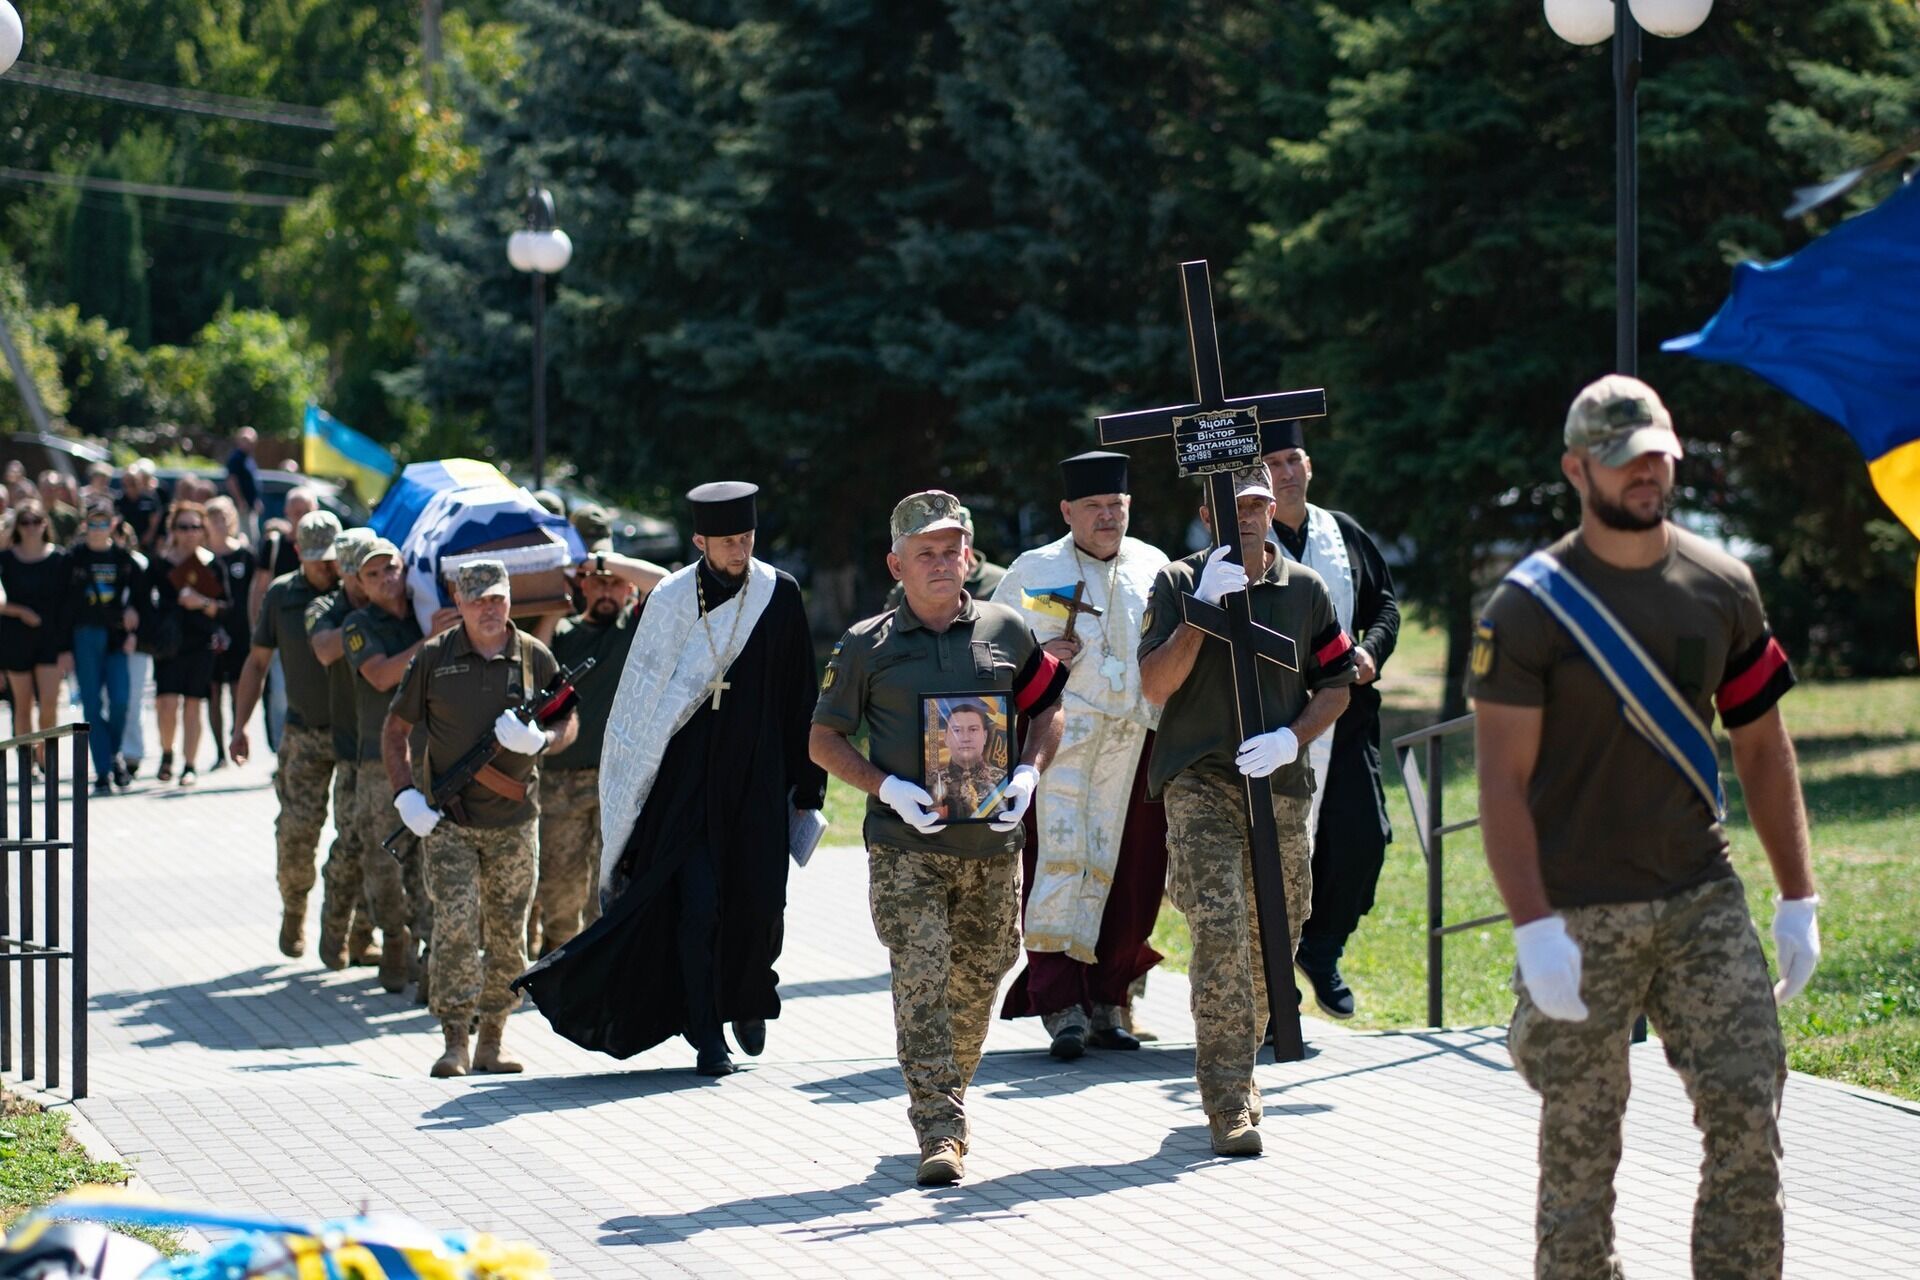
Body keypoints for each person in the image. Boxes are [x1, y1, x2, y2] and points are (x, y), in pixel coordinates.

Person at [1468, 375, 1818, 1280]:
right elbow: (1501, 783)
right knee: (1581, 1156)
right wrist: (1535, 927)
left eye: (1658, 456)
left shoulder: (1722, 585)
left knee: (1749, 1108)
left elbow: (1763, 752)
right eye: (1625, 462)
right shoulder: (1526, 608)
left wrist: (1796, 897)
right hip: (1580, 911)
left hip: (1700, 896)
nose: (1647, 476)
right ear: (1578, 470)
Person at [517, 483, 824, 1077]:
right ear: (700, 541)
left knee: (760, 905)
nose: (740, 550)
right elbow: (641, 699)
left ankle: (749, 995)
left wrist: (807, 786)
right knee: (698, 909)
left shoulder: (777, 593)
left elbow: (799, 694)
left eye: (747, 537)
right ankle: (708, 1033)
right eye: (728, 540)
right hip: (682, 789)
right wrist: (632, 792)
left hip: (757, 780)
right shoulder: (673, 599)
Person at [810, 489, 1068, 1186]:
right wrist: (885, 787)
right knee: (921, 976)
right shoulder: (867, 646)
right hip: (907, 850)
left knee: (983, 974)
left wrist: (1027, 773)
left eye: (952, 549)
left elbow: (1049, 711)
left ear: (969, 555)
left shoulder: (1008, 630)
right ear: (896, 564)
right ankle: (941, 1127)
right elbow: (822, 739)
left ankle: (945, 1088)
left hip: (992, 848)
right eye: (926, 552)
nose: (942, 563)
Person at [1137, 466, 1354, 1157]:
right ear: (1208, 514)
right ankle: (1229, 1098)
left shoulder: (1306, 589)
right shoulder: (1176, 583)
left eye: (1258, 504)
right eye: (1234, 508)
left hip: (1280, 784)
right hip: (1200, 781)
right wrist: (1203, 610)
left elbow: (1337, 684)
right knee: (1222, 930)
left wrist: (1294, 735)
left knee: (1275, 938)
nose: (1250, 518)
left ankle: (1243, 1065)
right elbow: (1155, 684)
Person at [993, 450, 1171, 1058]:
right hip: (1061, 740)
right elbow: (990, 657)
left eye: (1116, 506)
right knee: (1058, 865)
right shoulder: (1033, 570)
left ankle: (1111, 1000)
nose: (1107, 517)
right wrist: (1042, 662)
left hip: (1136, 744)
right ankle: (1061, 1001)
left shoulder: (1156, 567)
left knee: (1132, 873)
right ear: (1067, 510)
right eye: (1093, 507)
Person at [386, 559, 577, 1078]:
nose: (489, 609)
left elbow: (568, 718)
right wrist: (405, 794)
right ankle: (455, 1040)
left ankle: (494, 1038)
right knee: (453, 926)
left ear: (510, 599)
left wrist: (543, 740)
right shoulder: (433, 658)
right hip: (448, 823)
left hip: (515, 822)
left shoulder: (533, 656)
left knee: (508, 932)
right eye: (478, 600)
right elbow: (395, 731)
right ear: (459, 603)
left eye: (497, 598)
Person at [1260, 421, 1401, 1019]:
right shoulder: (1247, 540)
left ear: (1310, 466)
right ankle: (1273, 986)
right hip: (1273, 723)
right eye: (1272, 463)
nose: (1286, 473)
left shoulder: (1343, 532)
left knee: (1363, 840)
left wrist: (1371, 649)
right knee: (1274, 853)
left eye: (1293, 460)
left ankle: (1322, 948)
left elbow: (1385, 605)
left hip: (1346, 718)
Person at [525, 540, 662, 955]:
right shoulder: (563, 632)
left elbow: (667, 584)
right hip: (562, 780)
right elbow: (534, 668)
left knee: (611, 884)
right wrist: (556, 599)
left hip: (620, 780)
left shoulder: (637, 629)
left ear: (628, 591)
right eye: (596, 584)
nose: (605, 592)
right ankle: (558, 960)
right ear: (583, 588)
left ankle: (602, 964)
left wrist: (606, 561)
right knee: (559, 880)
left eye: (614, 584)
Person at [230, 511, 345, 959]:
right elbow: (257, 663)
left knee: (356, 836)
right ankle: (294, 909)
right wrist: (240, 727)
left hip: (355, 736)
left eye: (332, 559)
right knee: (297, 832)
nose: (326, 567)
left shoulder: (354, 592)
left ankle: (343, 927)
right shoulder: (282, 596)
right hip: (303, 734)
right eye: (317, 560)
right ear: (299, 555)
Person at [343, 539, 449, 994]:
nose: (387, 579)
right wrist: (431, 642)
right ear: (359, 585)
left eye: (391, 568)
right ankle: (392, 938)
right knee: (383, 858)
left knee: (431, 859)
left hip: (432, 755)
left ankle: (430, 956)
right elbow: (382, 675)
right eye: (373, 574)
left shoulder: (429, 608)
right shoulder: (357, 624)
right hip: (379, 759)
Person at [307, 529, 380, 969]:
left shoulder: (395, 606)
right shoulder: (328, 609)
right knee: (350, 845)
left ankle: (364, 936)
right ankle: (334, 930)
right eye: (364, 572)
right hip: (352, 749)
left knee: (386, 848)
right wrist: (364, 620)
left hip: (388, 746)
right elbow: (324, 649)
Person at [147, 502, 227, 786]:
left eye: (195, 527)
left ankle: (190, 765)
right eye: (184, 527)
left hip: (201, 642)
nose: (190, 533)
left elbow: (226, 607)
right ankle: (167, 755)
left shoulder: (213, 564)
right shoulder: (160, 563)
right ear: (173, 530)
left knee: (194, 705)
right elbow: (145, 602)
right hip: (170, 644)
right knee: (166, 704)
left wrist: (201, 602)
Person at [67, 497, 140, 794]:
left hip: (116, 637)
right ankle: (103, 770)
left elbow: (141, 598)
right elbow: (63, 605)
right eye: (92, 522)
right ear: (85, 524)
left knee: (121, 700)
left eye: (103, 522)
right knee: (92, 705)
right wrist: (62, 649)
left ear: (113, 524)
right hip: (84, 635)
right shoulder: (73, 558)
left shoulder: (125, 559)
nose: (98, 528)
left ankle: (113, 753)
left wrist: (135, 618)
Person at [0, 499, 73, 767]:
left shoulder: (60, 558)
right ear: (17, 527)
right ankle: (26, 759)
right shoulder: (5, 560)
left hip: (50, 639)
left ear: (45, 524)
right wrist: (20, 612)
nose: (31, 527)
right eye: (24, 522)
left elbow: (68, 605)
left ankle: (46, 759)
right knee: (22, 705)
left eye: (36, 521)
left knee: (49, 707)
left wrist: (67, 648)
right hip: (14, 639)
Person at [250, 487, 319, 755]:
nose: (301, 518)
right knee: (279, 693)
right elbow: (259, 589)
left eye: (306, 511)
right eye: (297, 512)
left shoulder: (327, 546)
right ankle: (283, 751)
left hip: (317, 630)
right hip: (282, 632)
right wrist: (258, 628)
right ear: (287, 514)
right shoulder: (275, 546)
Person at [204, 496, 256, 772]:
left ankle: (239, 738)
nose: (218, 524)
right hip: (211, 634)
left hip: (240, 632)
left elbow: (253, 594)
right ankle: (218, 751)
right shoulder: (202, 558)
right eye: (212, 519)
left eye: (223, 517)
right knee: (212, 693)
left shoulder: (245, 555)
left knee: (239, 689)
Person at [116, 517, 152, 780]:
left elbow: (149, 606)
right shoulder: (92, 560)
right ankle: (112, 753)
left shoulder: (140, 565)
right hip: (108, 642)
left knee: (134, 699)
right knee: (111, 700)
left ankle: (133, 753)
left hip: (136, 643)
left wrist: (137, 634)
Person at [117, 459, 165, 556]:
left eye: (133, 483)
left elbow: (155, 522)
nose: (129, 487)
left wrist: (147, 538)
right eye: (126, 484)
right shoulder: (118, 501)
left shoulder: (150, 499)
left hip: (146, 546)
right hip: (124, 545)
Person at [225, 428, 263, 545]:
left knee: (253, 538)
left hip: (250, 506)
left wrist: (256, 500)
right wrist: (240, 501)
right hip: (241, 508)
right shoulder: (236, 459)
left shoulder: (248, 458)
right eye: (246, 440)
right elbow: (232, 481)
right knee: (245, 539)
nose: (249, 443)